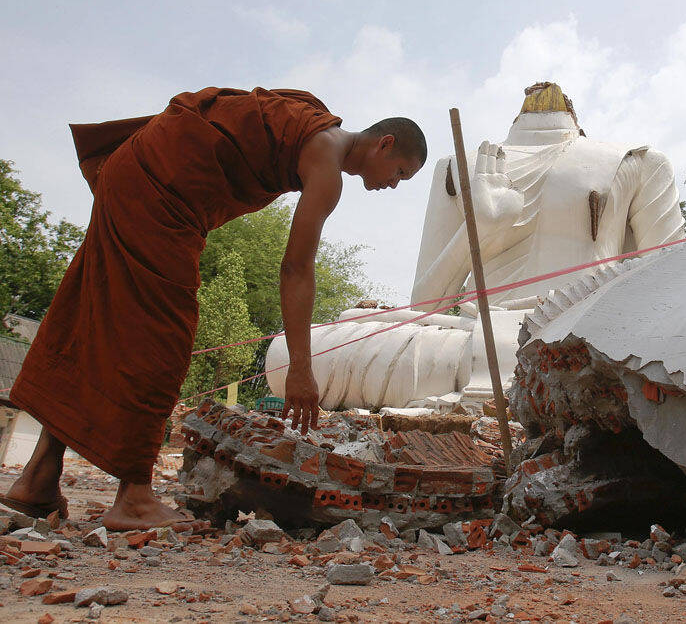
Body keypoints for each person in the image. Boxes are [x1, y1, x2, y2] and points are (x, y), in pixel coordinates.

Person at [0, 86, 426, 530]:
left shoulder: (314, 125)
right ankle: (135, 497)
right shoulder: (326, 162)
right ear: (385, 143)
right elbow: (295, 269)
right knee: (163, 336)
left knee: (97, 320)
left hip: (134, 169)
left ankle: (37, 480)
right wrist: (301, 366)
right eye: (400, 173)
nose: (393, 185)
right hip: (159, 194)